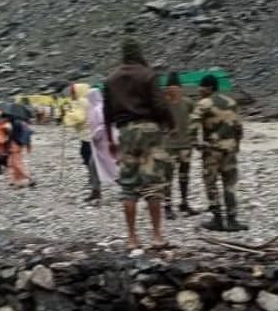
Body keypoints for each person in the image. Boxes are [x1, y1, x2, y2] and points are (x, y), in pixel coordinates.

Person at [103, 40, 174, 250]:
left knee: (128, 185)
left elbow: (107, 114)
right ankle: (157, 236)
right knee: (153, 183)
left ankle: (132, 238)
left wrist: (109, 140)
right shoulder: (148, 74)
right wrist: (170, 124)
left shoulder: (111, 79)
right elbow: (160, 105)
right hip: (150, 130)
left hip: (125, 132)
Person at [190, 74, 246, 232]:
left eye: (201, 86)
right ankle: (232, 219)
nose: (199, 90)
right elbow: (238, 126)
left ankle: (217, 219)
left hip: (212, 150)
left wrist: (195, 143)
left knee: (211, 184)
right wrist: (237, 145)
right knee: (229, 185)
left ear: (209, 87)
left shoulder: (204, 103)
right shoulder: (231, 102)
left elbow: (192, 124)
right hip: (230, 149)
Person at [163, 73, 198, 219]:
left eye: (176, 87)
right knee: (175, 177)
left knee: (177, 176)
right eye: (172, 88)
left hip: (178, 145)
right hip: (175, 145)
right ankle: (174, 205)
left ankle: (176, 204)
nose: (174, 90)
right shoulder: (165, 104)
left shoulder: (185, 103)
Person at [63, 83, 101, 202]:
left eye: (73, 92)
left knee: (91, 161)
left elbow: (79, 117)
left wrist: (67, 115)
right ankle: (95, 183)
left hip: (87, 136)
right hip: (90, 135)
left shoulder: (82, 101)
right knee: (92, 161)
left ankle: (95, 185)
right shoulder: (87, 100)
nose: (71, 94)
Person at [85, 88, 119, 188]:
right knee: (96, 164)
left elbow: (102, 124)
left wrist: (95, 135)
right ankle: (96, 190)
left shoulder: (98, 108)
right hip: (101, 142)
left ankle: (125, 188)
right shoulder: (96, 108)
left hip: (104, 141)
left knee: (109, 165)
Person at [5, 113, 33, 188]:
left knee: (17, 164)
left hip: (15, 146)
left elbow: (12, 136)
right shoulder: (21, 123)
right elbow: (28, 134)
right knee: (12, 163)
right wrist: (28, 146)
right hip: (18, 145)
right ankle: (15, 181)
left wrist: (8, 132)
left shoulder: (13, 124)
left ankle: (29, 178)